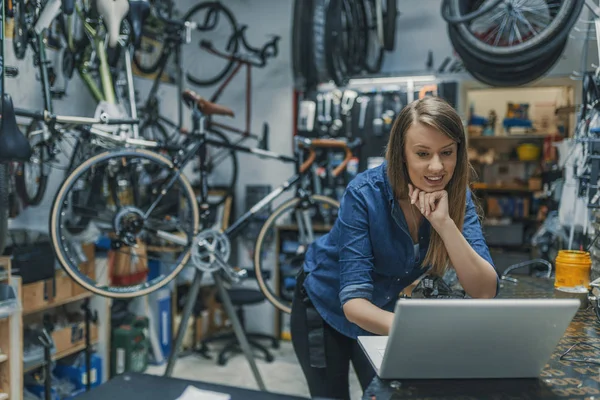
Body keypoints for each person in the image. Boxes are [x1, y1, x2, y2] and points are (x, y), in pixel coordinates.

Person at [290, 96, 499, 400]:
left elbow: (484, 290)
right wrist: (420, 332)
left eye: (447, 153)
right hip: (324, 305)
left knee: (386, 396)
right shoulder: (364, 194)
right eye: (423, 154)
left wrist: (444, 224)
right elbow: (354, 303)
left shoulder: (456, 196)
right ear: (402, 154)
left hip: (381, 310)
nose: (437, 166)